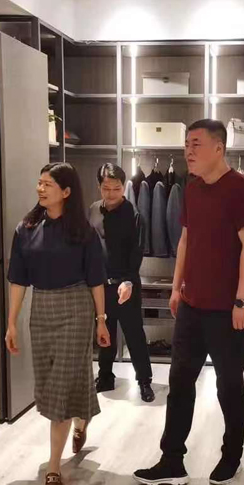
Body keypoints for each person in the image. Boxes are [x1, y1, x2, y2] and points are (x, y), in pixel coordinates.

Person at [133, 119, 244, 485]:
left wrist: (242, 300)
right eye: (187, 144)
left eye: (196, 144)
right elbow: (185, 239)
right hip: (191, 304)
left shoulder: (240, 188)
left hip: (226, 309)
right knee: (180, 382)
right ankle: (172, 460)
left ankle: (232, 456)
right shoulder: (191, 187)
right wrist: (176, 288)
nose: (188, 151)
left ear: (219, 148)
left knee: (228, 386)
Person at [5, 162, 111, 485]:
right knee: (53, 382)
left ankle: (54, 468)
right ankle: (81, 422)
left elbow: (96, 280)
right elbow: (18, 280)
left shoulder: (84, 232)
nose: (40, 189)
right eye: (39, 183)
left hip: (76, 308)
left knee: (61, 384)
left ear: (66, 192)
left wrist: (101, 320)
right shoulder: (25, 229)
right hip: (42, 309)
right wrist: (11, 322)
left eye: (48, 184)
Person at [89, 163, 155, 403]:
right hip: (100, 285)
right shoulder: (93, 211)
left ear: (123, 187)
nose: (111, 194)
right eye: (106, 188)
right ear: (99, 187)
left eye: (116, 188)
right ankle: (105, 376)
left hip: (126, 283)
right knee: (104, 330)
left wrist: (127, 280)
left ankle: (144, 381)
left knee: (134, 334)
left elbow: (136, 252)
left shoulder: (134, 215)